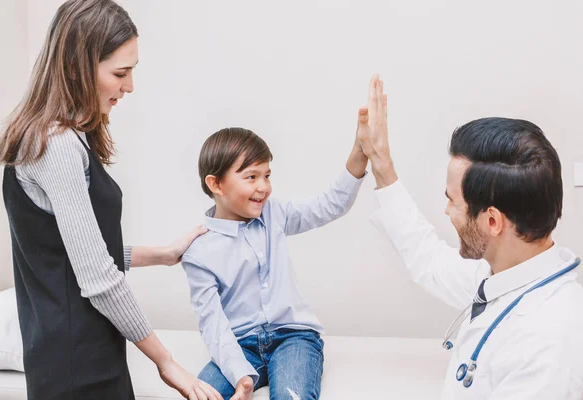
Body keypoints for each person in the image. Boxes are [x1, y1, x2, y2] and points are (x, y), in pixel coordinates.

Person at [0, 1, 222, 399]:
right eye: (120, 72)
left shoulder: (61, 138)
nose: (129, 86)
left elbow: (66, 254)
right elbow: (96, 276)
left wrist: (164, 254)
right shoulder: (56, 146)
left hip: (81, 354)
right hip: (74, 367)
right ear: (78, 67)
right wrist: (166, 361)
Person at [358, 75, 583, 398]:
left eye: (452, 201)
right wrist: (380, 161)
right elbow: (428, 258)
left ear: (492, 221)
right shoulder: (506, 273)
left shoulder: (549, 345)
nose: (446, 211)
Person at [182, 126, 367, 399]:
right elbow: (213, 325)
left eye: (267, 175)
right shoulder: (199, 252)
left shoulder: (274, 214)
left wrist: (360, 151)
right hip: (239, 345)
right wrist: (241, 376)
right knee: (202, 395)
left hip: (293, 339)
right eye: (251, 177)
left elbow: (331, 205)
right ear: (216, 184)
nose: (264, 187)